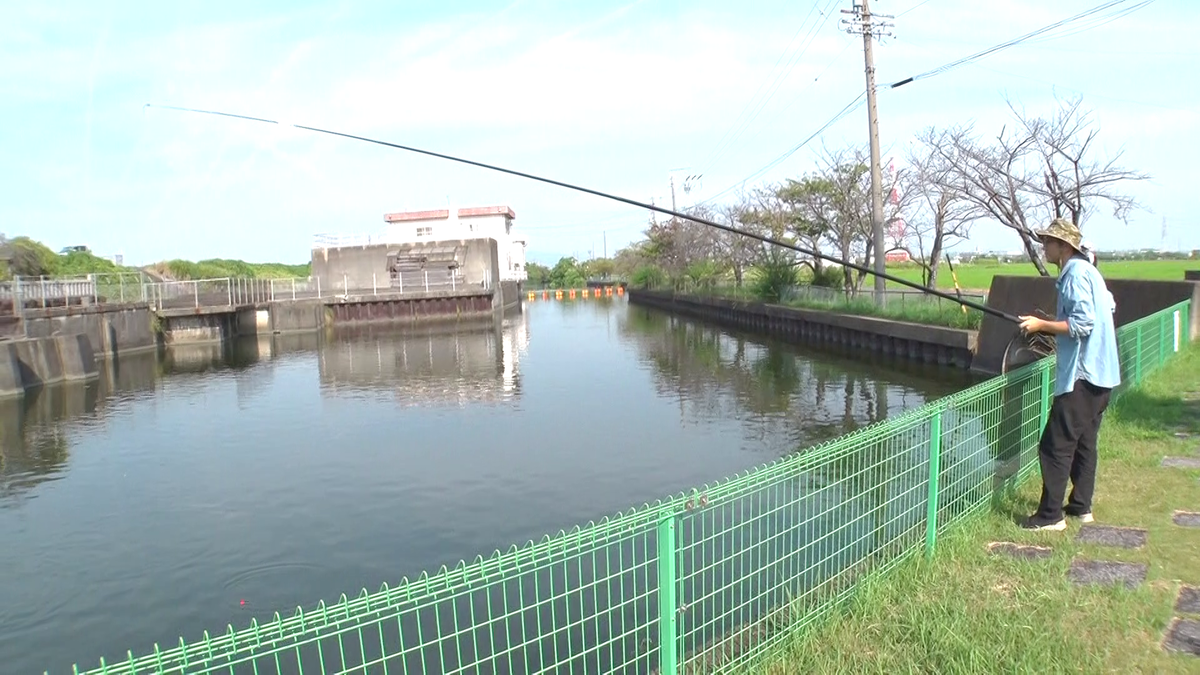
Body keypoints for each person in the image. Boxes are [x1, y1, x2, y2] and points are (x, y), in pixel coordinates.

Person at [1017, 218, 1121, 531]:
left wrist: (1042, 325)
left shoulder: (1075, 273)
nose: (1043, 246)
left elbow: (1082, 324)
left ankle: (1050, 517)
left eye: (1048, 241)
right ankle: (1080, 509)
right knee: (1085, 444)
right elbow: (1109, 307)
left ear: (1064, 247)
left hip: (1081, 377)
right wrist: (1049, 323)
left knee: (1055, 446)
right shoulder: (1091, 272)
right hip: (1102, 378)